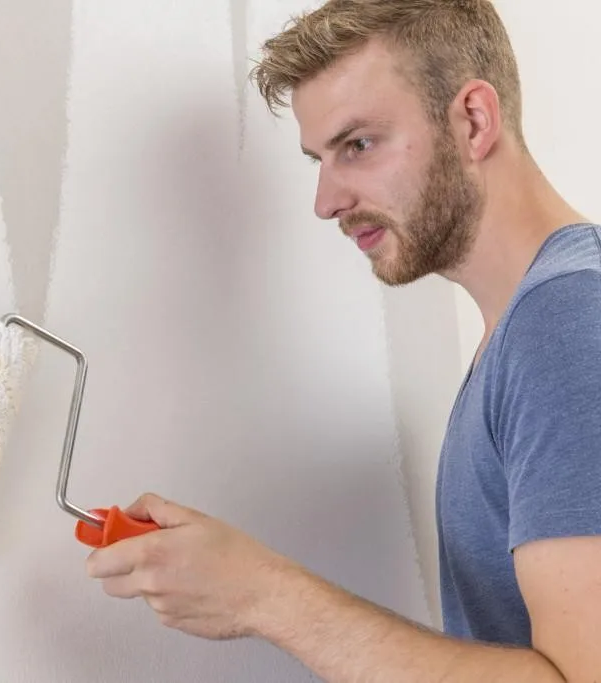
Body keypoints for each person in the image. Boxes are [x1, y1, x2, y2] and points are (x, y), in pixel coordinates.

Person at [84, 1, 601, 680]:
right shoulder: (527, 326)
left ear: (474, 120)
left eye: (357, 145)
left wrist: (262, 594)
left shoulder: (565, 319)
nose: (326, 201)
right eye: (319, 159)